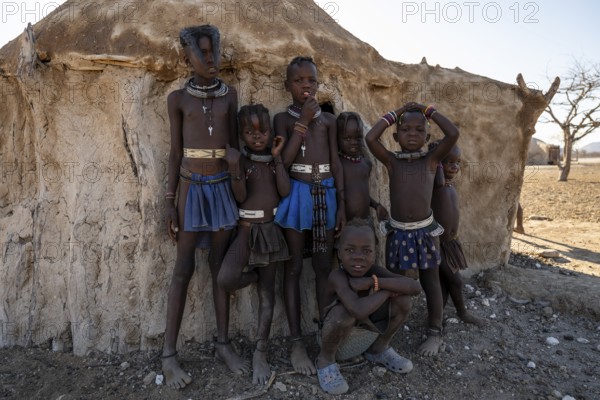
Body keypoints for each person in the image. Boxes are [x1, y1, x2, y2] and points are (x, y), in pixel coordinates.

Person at [162, 25, 240, 389]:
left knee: (219, 264)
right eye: (203, 53)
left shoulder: (230, 97)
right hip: (191, 188)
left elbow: (236, 150)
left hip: (223, 187)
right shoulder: (178, 99)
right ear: (186, 57)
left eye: (215, 52)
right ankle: (169, 355)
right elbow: (176, 152)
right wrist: (168, 202)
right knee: (183, 268)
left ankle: (223, 344)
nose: (211, 59)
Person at [365, 102, 459, 357]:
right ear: (396, 137)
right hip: (397, 231)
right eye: (406, 129)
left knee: (431, 282)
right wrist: (395, 112)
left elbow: (453, 134)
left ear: (428, 137)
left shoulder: (431, 160)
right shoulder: (393, 162)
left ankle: (435, 332)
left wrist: (430, 111)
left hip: (426, 232)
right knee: (394, 281)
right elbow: (371, 137)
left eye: (420, 130)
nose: (413, 134)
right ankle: (390, 325)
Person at [273, 56, 345, 375]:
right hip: (297, 192)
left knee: (322, 266)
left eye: (312, 81)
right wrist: (302, 122)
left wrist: (340, 202)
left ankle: (325, 337)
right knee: (292, 267)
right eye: (300, 81)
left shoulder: (329, 122)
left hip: (325, 193)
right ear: (288, 85)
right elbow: (285, 161)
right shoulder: (282, 120)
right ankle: (296, 342)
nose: (306, 86)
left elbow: (337, 162)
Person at [217, 104, 291, 384]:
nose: (256, 137)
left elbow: (285, 191)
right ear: (241, 134)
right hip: (246, 231)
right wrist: (235, 165)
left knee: (267, 294)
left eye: (262, 131)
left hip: (269, 231)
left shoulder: (272, 161)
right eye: (249, 132)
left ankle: (261, 351)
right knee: (226, 279)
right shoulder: (243, 162)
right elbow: (239, 196)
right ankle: (256, 273)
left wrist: (278, 159)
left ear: (271, 132)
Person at [316, 219, 421, 395]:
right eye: (350, 250)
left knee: (403, 301)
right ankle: (325, 362)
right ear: (339, 252)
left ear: (374, 253)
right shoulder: (337, 277)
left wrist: (375, 282)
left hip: (365, 339)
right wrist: (386, 291)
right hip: (334, 342)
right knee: (345, 312)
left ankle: (378, 349)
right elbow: (357, 310)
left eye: (366, 251)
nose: (358, 257)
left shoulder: (375, 272)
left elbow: (415, 287)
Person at [431, 144, 486, 327]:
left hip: (451, 241)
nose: (455, 167)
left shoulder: (449, 185)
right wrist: (436, 158)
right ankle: (461, 312)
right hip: (440, 243)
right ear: (438, 164)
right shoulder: (436, 183)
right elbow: (437, 181)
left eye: (457, 163)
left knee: (445, 281)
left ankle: (438, 316)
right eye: (448, 162)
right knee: (454, 280)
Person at [336, 112, 389, 222]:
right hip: (345, 224)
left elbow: (361, 194)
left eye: (358, 138)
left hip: (365, 222)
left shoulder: (366, 164)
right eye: (347, 138)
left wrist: (376, 205)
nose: (354, 142)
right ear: (337, 139)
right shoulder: (337, 164)